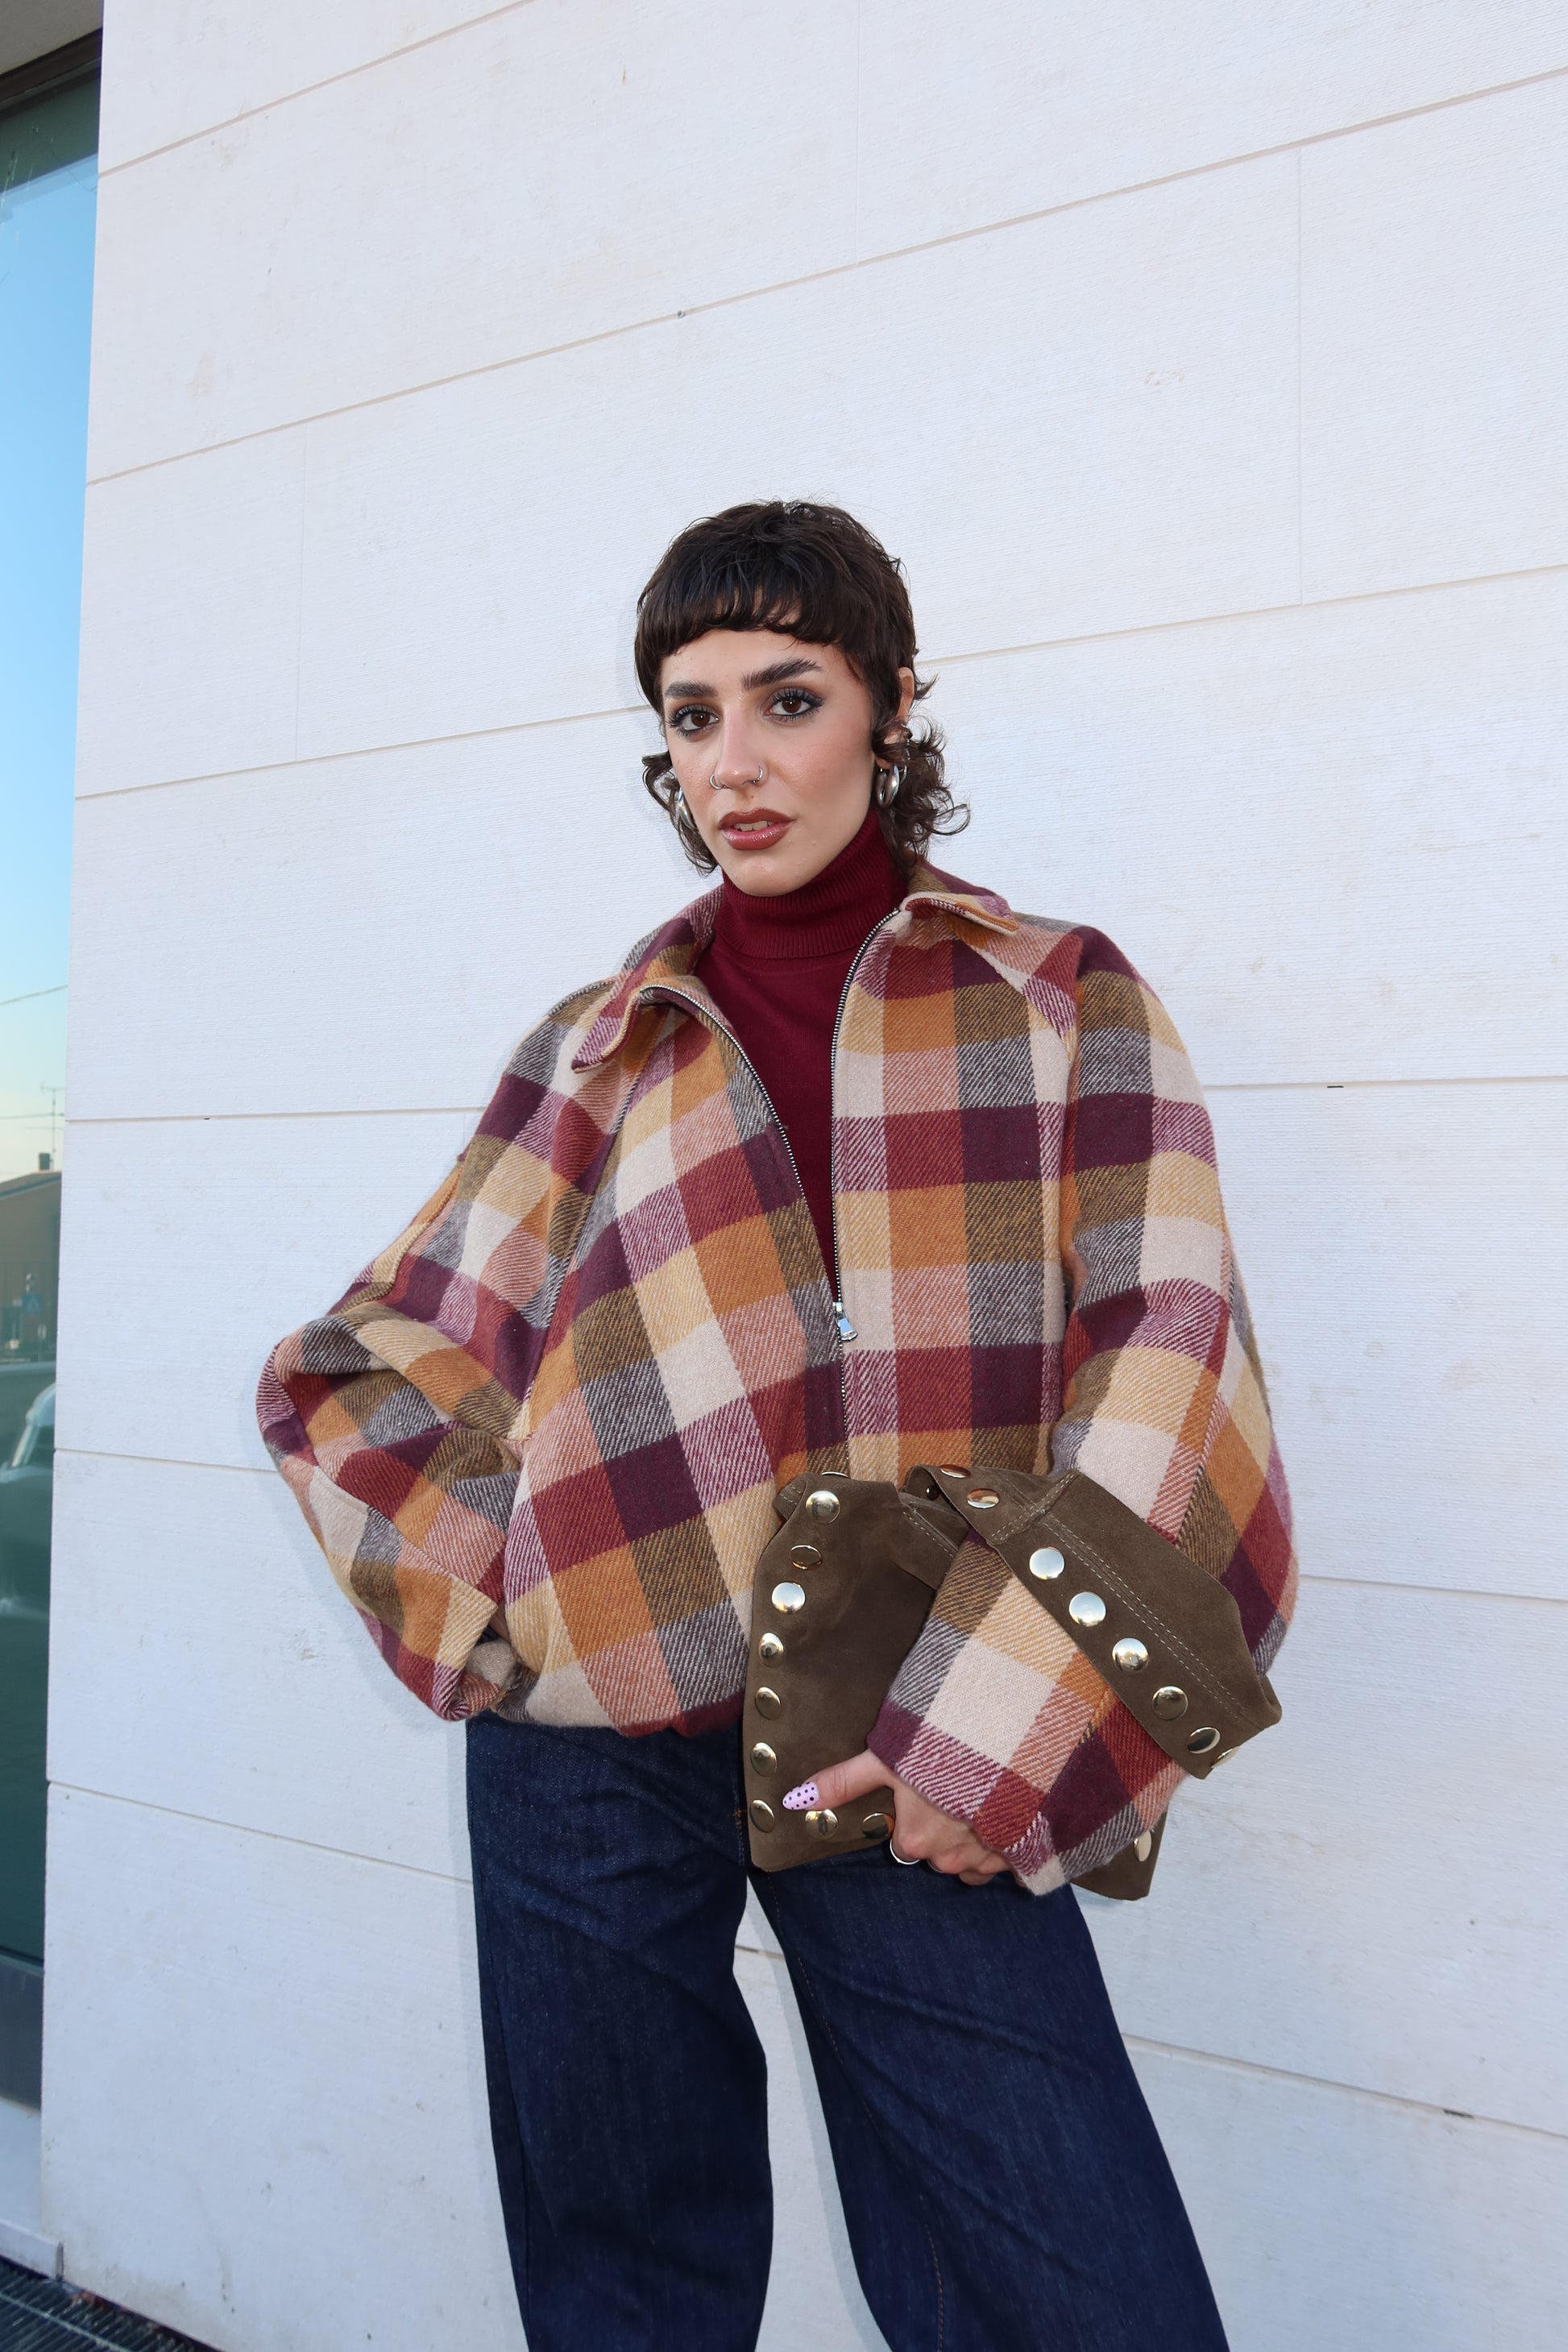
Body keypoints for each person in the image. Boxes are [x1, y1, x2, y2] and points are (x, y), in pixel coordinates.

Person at [259, 500, 1295, 2350]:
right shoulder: (601, 1043)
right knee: (623, 2286)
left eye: (785, 698)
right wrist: (505, 1603)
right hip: (590, 1753)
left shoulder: (1053, 995)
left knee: (1077, 2285)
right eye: (690, 714)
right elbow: (370, 1366)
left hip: (911, 1725)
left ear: (888, 707)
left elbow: (1170, 1349)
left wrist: (1005, 1729)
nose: (730, 761)